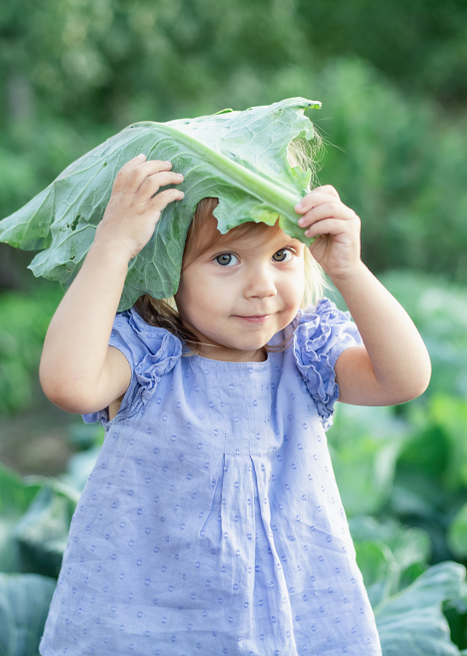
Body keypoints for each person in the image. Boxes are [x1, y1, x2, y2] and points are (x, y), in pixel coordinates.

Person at [38, 152, 431, 655]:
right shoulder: (149, 353)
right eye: (225, 259)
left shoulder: (305, 351)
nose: (263, 286)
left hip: (290, 603)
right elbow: (68, 384)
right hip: (150, 616)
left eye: (283, 255)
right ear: (164, 269)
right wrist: (113, 248)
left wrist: (350, 270)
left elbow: (405, 379)